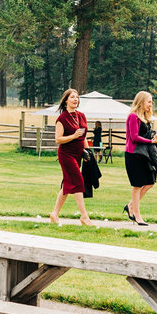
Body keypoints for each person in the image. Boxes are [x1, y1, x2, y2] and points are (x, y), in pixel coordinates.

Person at [50, 88, 94, 226]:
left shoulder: (81, 116)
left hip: (78, 154)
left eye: (77, 97)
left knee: (67, 184)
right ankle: (84, 216)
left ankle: (54, 214)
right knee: (78, 182)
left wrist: (87, 151)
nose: (75, 99)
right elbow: (58, 139)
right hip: (66, 155)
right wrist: (73, 136)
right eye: (72, 97)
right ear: (65, 101)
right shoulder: (62, 119)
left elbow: (84, 136)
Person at [124, 91, 157, 227]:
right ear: (141, 102)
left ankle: (130, 206)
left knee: (150, 182)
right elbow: (134, 137)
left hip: (144, 154)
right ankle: (137, 216)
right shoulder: (133, 117)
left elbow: (145, 135)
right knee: (137, 185)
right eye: (149, 101)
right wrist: (151, 142)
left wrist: (155, 136)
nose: (151, 104)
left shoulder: (146, 118)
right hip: (133, 154)